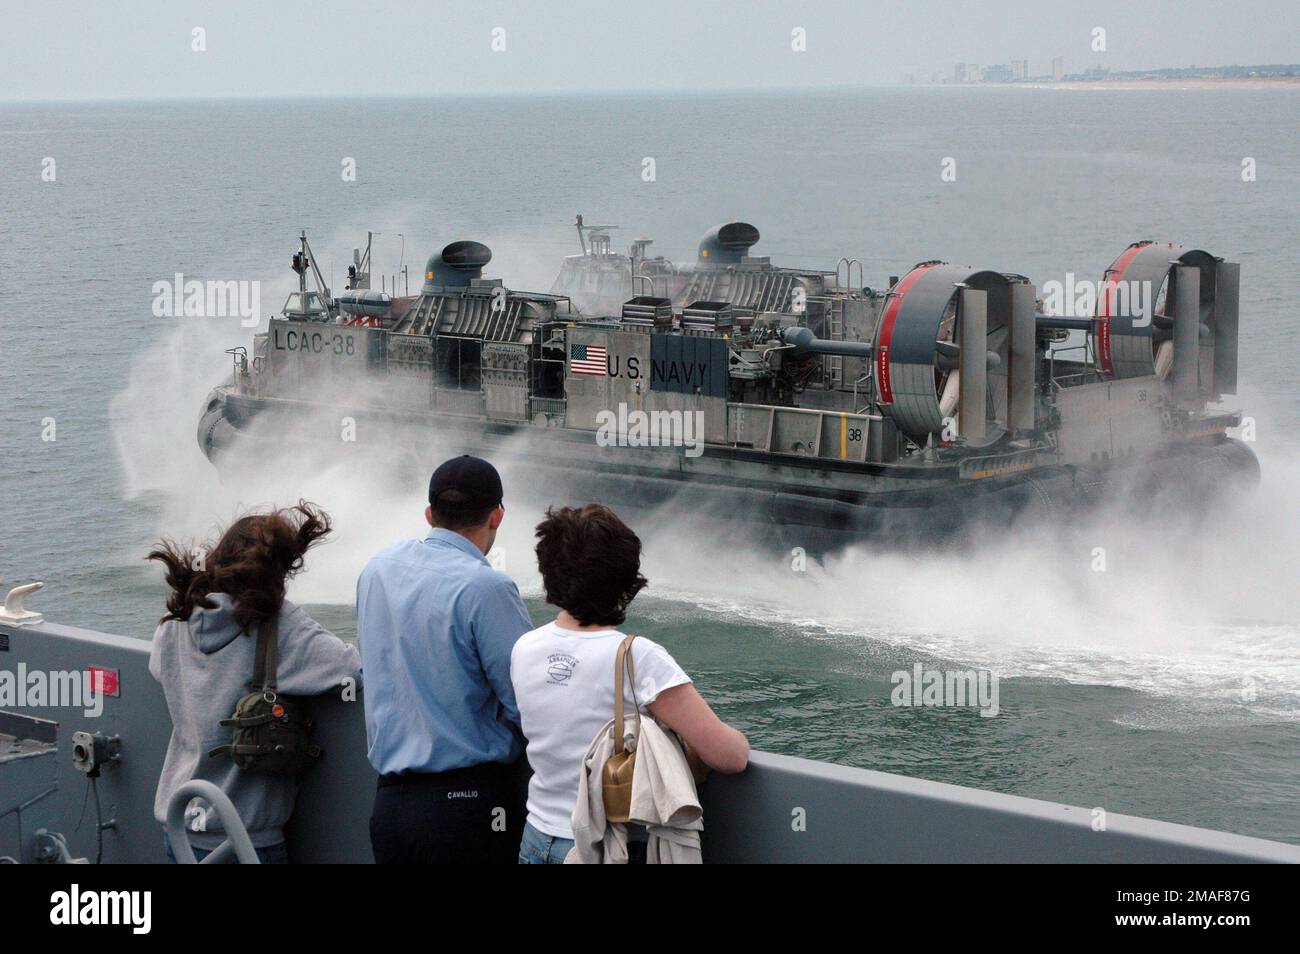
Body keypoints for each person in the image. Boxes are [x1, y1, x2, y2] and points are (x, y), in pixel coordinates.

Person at [511, 503, 749, 864]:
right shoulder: (638, 657)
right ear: (625, 580)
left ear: (549, 570)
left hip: (536, 839)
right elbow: (729, 757)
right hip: (603, 847)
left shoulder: (525, 648)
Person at [147, 502, 361, 864]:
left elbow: (158, 668)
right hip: (245, 839)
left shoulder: (175, 623)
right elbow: (350, 668)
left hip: (180, 829)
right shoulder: (280, 629)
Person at [357, 454, 533, 864]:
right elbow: (526, 702)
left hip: (390, 809)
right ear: (497, 516)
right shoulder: (488, 587)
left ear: (429, 513)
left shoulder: (377, 569)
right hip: (468, 809)